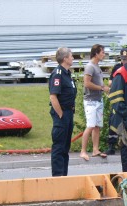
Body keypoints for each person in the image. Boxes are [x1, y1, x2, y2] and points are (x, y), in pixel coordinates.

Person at [48, 46, 77, 176]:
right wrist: (60, 114)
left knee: (66, 147)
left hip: (69, 113)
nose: (73, 58)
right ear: (65, 58)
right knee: (59, 147)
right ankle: (58, 177)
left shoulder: (67, 74)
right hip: (62, 113)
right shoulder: (58, 74)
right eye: (71, 56)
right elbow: (53, 96)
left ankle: (64, 176)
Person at [80, 44, 109, 161]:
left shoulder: (97, 67)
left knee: (97, 126)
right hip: (91, 101)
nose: (104, 54)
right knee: (90, 125)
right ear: (96, 53)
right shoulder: (90, 67)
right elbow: (86, 83)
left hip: (98, 99)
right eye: (102, 52)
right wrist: (101, 88)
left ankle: (95, 149)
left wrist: (105, 88)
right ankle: (83, 151)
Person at [106, 47, 127, 155]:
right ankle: (111, 145)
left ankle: (126, 144)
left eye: (126, 58)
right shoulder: (117, 67)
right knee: (114, 121)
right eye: (123, 58)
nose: (124, 61)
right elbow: (110, 83)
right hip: (118, 98)